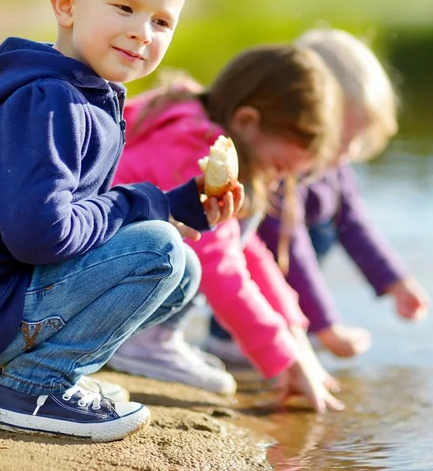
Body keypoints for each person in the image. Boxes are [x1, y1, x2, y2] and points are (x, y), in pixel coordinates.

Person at [0, 0, 243, 442]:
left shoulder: (86, 94)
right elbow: (41, 236)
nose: (143, 32)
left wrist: (175, 202)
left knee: (182, 265)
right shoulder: (46, 102)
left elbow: (69, 218)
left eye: (162, 22)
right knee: (159, 251)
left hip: (2, 299)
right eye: (125, 8)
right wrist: (143, 206)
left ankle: (15, 375)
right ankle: (36, 386)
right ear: (67, 6)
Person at [109, 44, 346, 413]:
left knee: (239, 220)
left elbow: (245, 252)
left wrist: (295, 336)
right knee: (210, 239)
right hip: (97, 270)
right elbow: (221, 268)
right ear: (248, 122)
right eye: (279, 165)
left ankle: (145, 336)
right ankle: (143, 341)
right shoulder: (194, 152)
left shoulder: (191, 118)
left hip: (100, 259)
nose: (278, 177)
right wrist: (283, 360)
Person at [255, 28, 431, 358]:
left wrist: (396, 281)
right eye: (339, 140)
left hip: (288, 265)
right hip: (256, 263)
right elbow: (290, 245)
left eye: (355, 142)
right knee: (308, 235)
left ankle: (296, 321)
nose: (345, 153)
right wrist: (328, 328)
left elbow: (355, 222)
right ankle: (241, 334)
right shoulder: (279, 167)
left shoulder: (333, 164)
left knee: (328, 224)